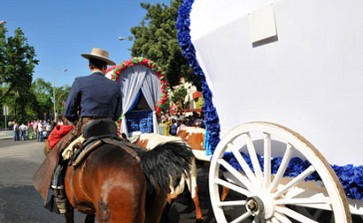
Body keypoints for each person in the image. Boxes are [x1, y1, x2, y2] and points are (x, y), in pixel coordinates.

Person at [33, 48, 122, 215]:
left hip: (87, 128)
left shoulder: (80, 82)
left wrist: (76, 123)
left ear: (90, 66)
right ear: (105, 67)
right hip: (110, 129)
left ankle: (59, 192)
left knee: (60, 156)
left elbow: (68, 112)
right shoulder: (115, 86)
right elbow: (118, 113)